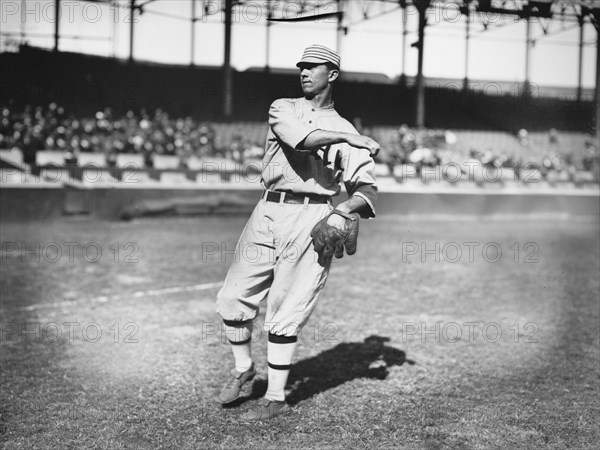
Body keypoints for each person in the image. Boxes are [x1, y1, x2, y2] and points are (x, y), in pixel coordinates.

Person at [215, 44, 380, 420]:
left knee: (286, 307)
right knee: (232, 297)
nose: (304, 72)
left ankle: (275, 398)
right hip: (268, 208)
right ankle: (244, 369)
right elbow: (300, 139)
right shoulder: (283, 107)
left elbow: (366, 192)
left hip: (312, 216)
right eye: (301, 67)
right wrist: (349, 139)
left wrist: (341, 211)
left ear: (332, 75)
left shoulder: (346, 128)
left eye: (313, 67)